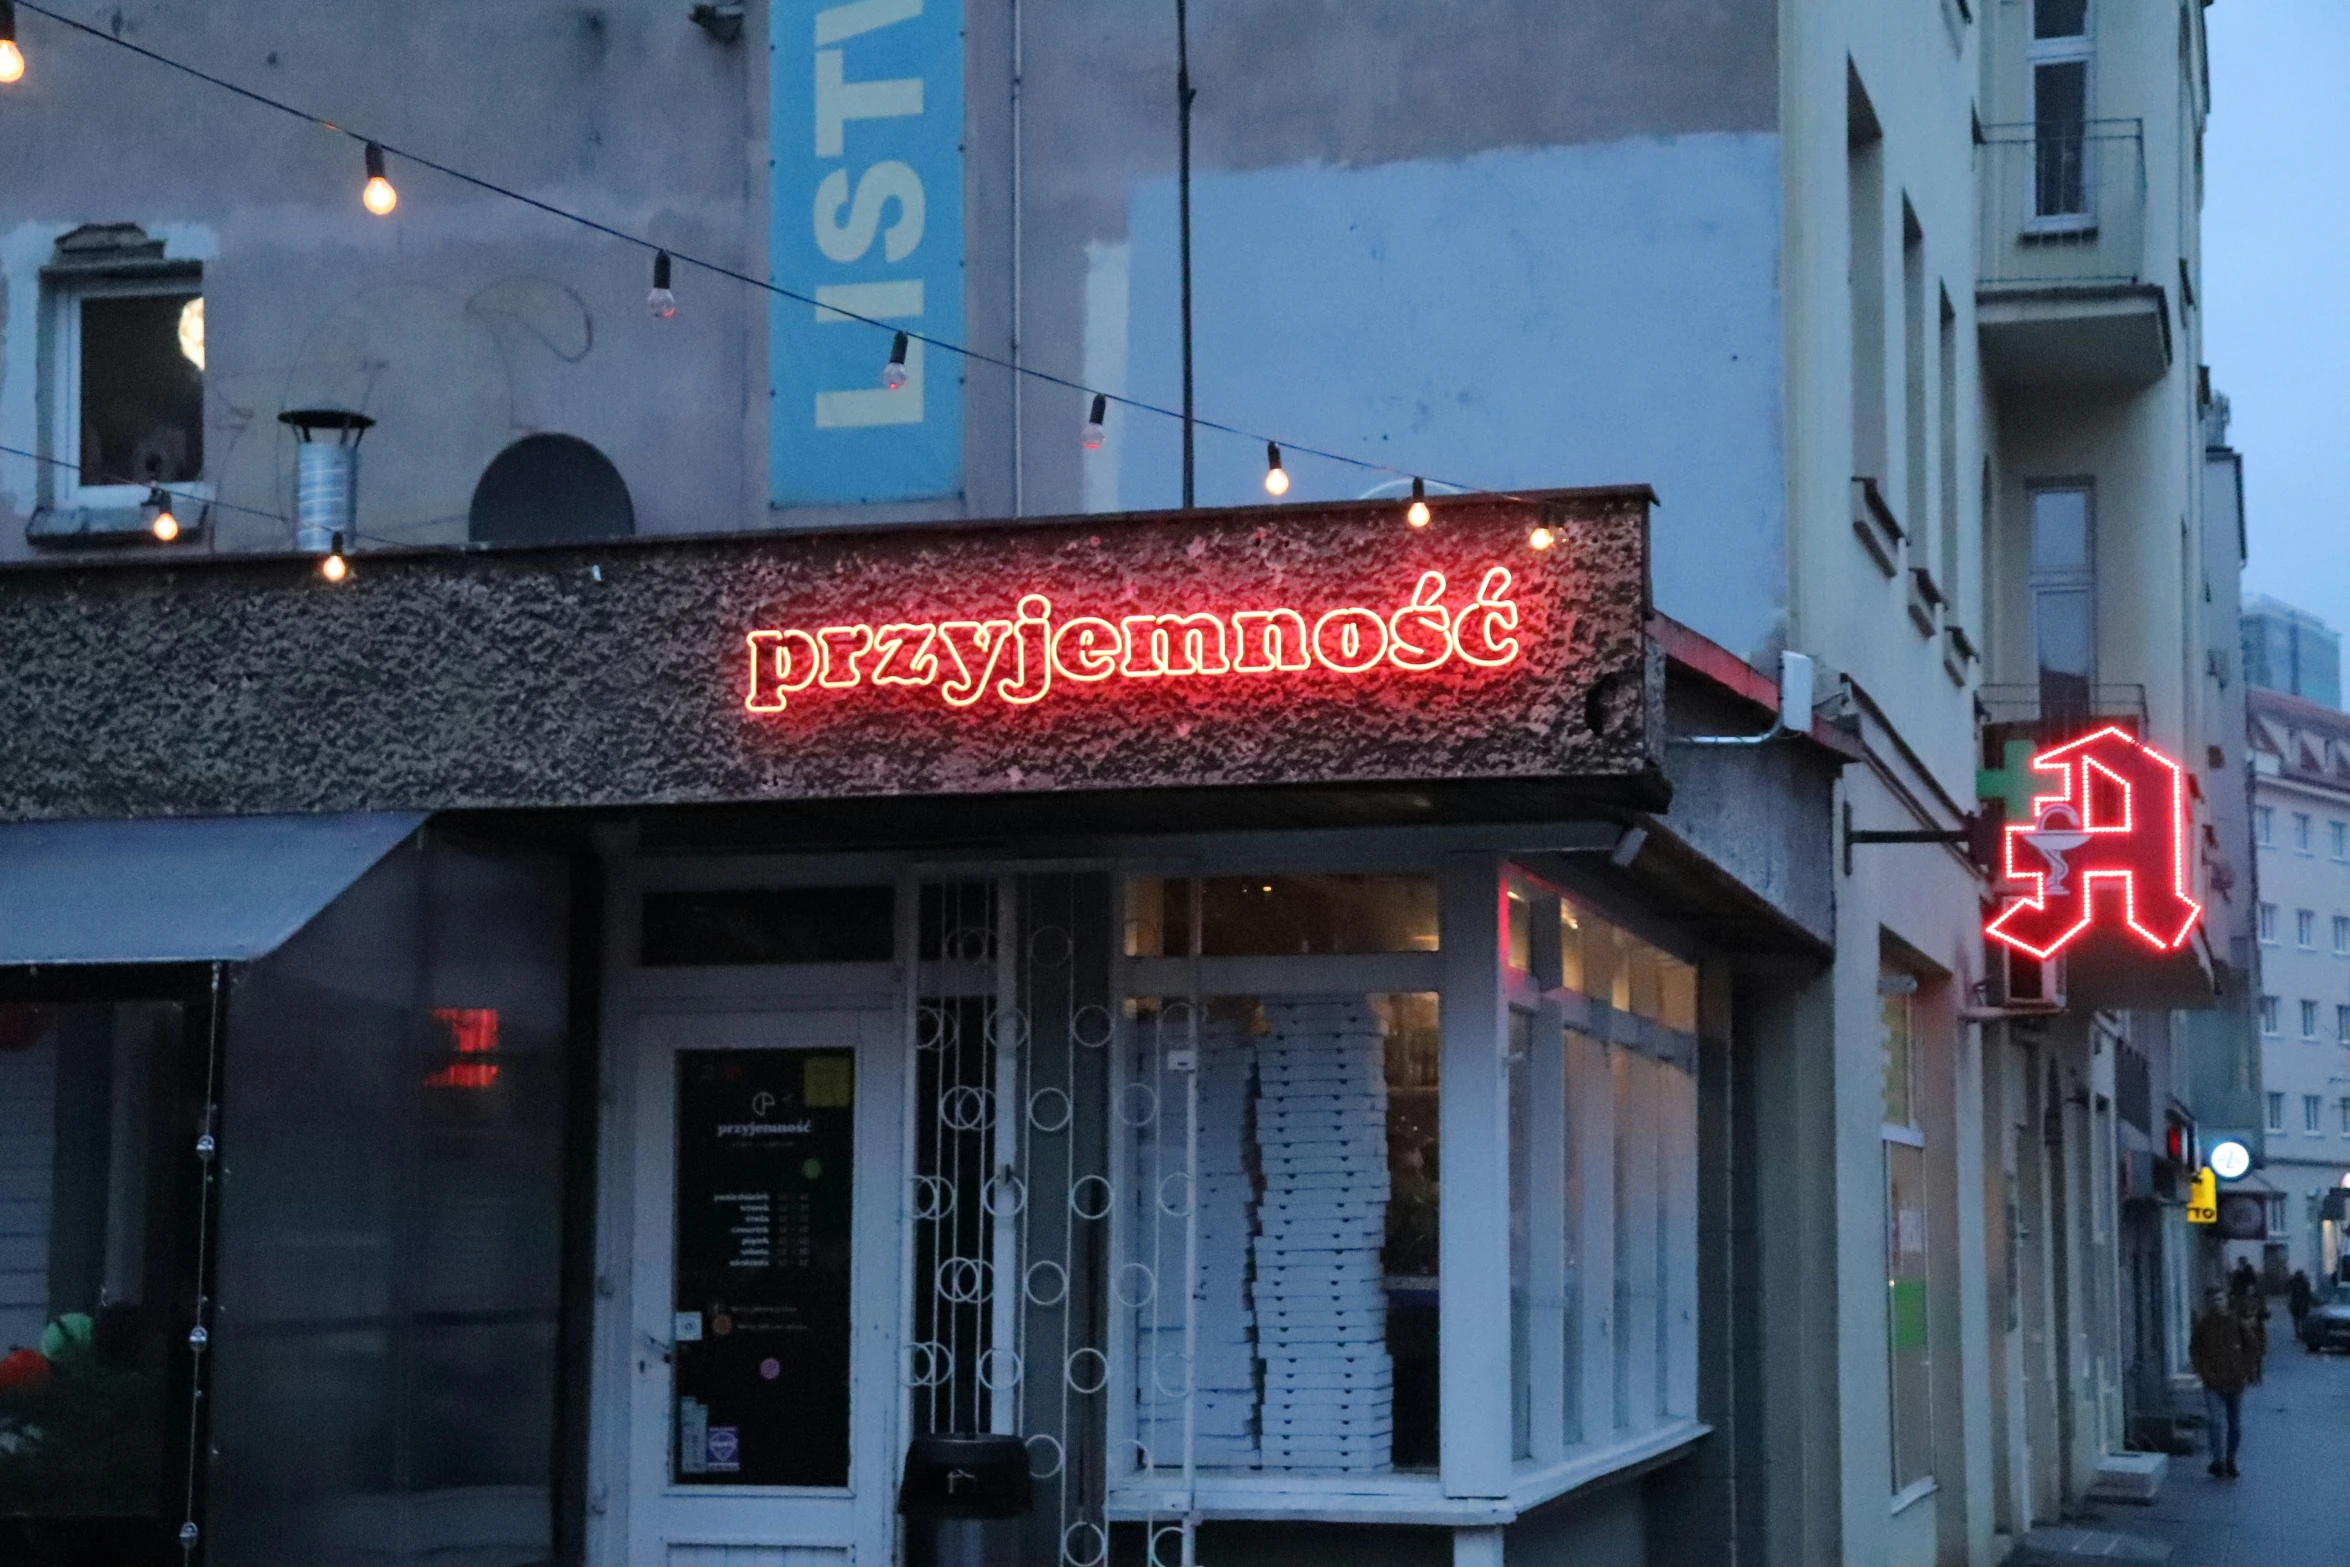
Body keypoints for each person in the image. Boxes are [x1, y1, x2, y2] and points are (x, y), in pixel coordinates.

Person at [2191, 1287, 2258, 1478]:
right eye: (2213, 1301)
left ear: (2226, 1301)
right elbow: (2195, 1350)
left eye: (2220, 1300)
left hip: (2235, 1382)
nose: (2217, 1304)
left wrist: (2244, 1370)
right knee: (2215, 1422)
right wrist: (2204, 1372)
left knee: (2234, 1423)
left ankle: (2230, 1459)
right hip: (2213, 1383)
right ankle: (2218, 1460)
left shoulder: (2236, 1323)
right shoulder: (2204, 1325)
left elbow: (2252, 1347)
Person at [2290, 1269, 2314, 1341]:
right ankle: (2300, 1334)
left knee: (2298, 1321)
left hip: (2299, 1304)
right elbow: (2308, 1294)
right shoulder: (2304, 1282)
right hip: (2300, 1304)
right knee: (2300, 1320)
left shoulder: (2296, 1282)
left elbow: (2292, 1293)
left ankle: (2299, 1334)